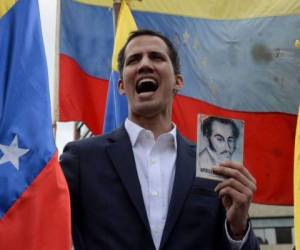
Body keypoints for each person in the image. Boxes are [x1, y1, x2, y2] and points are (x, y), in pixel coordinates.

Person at [60, 29, 259, 250]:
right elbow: (39, 222)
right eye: (133, 59)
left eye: (156, 57)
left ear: (178, 82)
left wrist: (239, 228)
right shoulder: (82, 159)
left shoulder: (215, 165)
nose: (144, 64)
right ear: (122, 86)